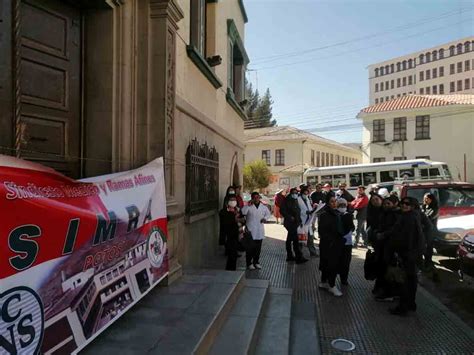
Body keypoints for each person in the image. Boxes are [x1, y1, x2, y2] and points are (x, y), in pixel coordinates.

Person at [385, 197, 424, 315]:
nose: (404, 205)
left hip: (408, 254)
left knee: (405, 281)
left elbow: (405, 238)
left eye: (407, 204)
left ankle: (403, 307)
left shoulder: (408, 218)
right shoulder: (412, 216)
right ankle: (410, 304)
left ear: (413, 206)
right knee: (411, 280)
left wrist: (398, 251)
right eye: (402, 203)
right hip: (412, 254)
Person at [374, 195, 401, 301]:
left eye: (388, 203)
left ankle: (390, 293)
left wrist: (383, 234)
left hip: (391, 246)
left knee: (390, 270)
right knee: (385, 268)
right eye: (385, 203)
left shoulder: (396, 214)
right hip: (384, 245)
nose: (386, 205)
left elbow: (395, 229)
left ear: (395, 203)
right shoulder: (385, 213)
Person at [318, 196, 346, 296]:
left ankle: (324, 282)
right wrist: (332, 241)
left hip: (334, 243)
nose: (334, 203)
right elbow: (322, 231)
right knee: (330, 265)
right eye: (332, 202)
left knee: (328, 264)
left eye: (335, 201)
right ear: (328, 203)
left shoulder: (336, 213)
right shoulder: (325, 215)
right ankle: (331, 285)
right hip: (329, 245)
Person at [241, 192, 271, 270]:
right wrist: (248, 205)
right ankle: (249, 263)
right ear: (252, 198)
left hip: (259, 230)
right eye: (254, 197)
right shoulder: (248, 206)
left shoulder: (263, 207)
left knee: (258, 248)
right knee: (249, 248)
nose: (256, 199)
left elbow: (268, 214)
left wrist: (265, 218)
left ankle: (256, 262)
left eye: (257, 197)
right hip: (250, 230)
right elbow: (243, 212)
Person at [281, 187, 308, 264]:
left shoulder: (295, 200)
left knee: (290, 240)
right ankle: (298, 257)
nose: (295, 194)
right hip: (290, 223)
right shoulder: (287, 200)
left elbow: (297, 211)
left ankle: (290, 256)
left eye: (296, 193)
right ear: (290, 193)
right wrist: (290, 217)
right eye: (294, 193)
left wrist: (299, 221)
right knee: (295, 240)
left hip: (295, 223)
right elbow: (282, 210)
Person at [219, 196, 244, 270]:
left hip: (237, 234)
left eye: (234, 200)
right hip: (228, 235)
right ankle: (230, 269)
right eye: (231, 200)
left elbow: (243, 220)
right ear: (227, 202)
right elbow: (225, 222)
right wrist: (236, 219)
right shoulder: (223, 211)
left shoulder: (238, 210)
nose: (233, 201)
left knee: (233, 254)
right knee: (231, 253)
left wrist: (240, 220)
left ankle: (231, 269)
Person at [336, 198, 355, 285]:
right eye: (340, 205)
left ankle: (344, 279)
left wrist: (350, 230)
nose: (342, 207)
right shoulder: (335, 215)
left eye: (344, 205)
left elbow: (352, 227)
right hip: (337, 241)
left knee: (346, 262)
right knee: (337, 260)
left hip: (347, 242)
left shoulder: (349, 215)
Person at [298, 186, 318, 257]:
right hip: (302, 221)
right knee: (301, 239)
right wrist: (306, 212)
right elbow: (298, 210)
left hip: (308, 221)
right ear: (303, 191)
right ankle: (299, 253)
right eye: (306, 191)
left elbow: (309, 208)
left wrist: (314, 209)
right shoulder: (298, 199)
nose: (307, 193)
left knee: (310, 238)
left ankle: (313, 252)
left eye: (308, 191)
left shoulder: (307, 198)